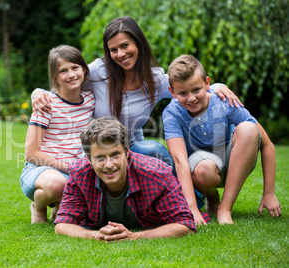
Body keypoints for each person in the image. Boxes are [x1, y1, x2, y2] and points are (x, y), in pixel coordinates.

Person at [31, 16, 242, 169]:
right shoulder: (97, 72)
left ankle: (188, 200)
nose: (120, 54)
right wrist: (37, 92)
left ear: (138, 43)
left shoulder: (156, 80)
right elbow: (67, 80)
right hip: (100, 146)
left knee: (155, 151)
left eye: (125, 45)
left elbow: (188, 85)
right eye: (113, 49)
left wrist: (216, 87)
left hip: (133, 145)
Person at [162, 54, 282, 225]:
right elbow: (180, 160)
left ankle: (225, 209)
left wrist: (269, 193)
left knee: (249, 129)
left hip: (234, 160)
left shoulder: (224, 100)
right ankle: (211, 197)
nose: (191, 98)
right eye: (182, 93)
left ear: (207, 83)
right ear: (172, 92)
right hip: (203, 168)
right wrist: (192, 208)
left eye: (196, 90)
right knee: (203, 171)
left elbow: (267, 144)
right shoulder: (172, 113)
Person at [54, 117, 196, 241]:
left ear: (127, 151)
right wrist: (96, 235)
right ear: (89, 159)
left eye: (115, 155)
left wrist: (134, 237)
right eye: (100, 158)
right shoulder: (80, 174)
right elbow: (62, 225)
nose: (109, 165)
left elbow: (185, 224)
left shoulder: (156, 174)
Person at [20, 45, 95, 223]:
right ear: (55, 78)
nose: (71, 75)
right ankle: (38, 206)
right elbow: (31, 154)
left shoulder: (90, 100)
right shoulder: (46, 104)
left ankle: (61, 205)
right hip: (40, 170)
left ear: (84, 69)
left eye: (75, 68)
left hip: (74, 171)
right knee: (57, 184)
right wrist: (69, 168)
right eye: (63, 71)